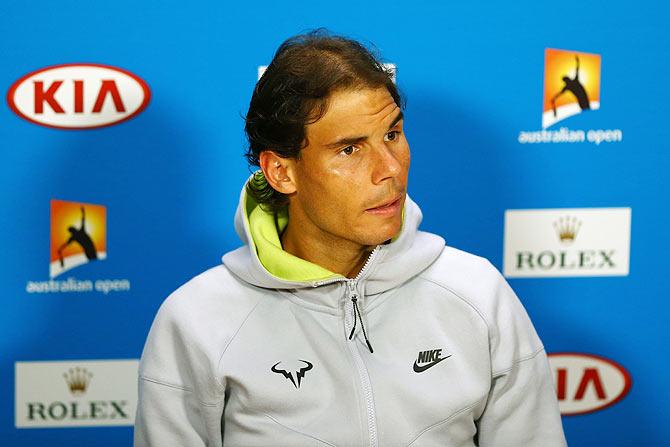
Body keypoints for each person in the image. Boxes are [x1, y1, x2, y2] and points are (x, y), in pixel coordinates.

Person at [134, 29, 567, 447]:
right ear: (281, 171)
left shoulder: (478, 293)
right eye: (349, 149)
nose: (390, 169)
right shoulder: (195, 321)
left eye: (392, 135)